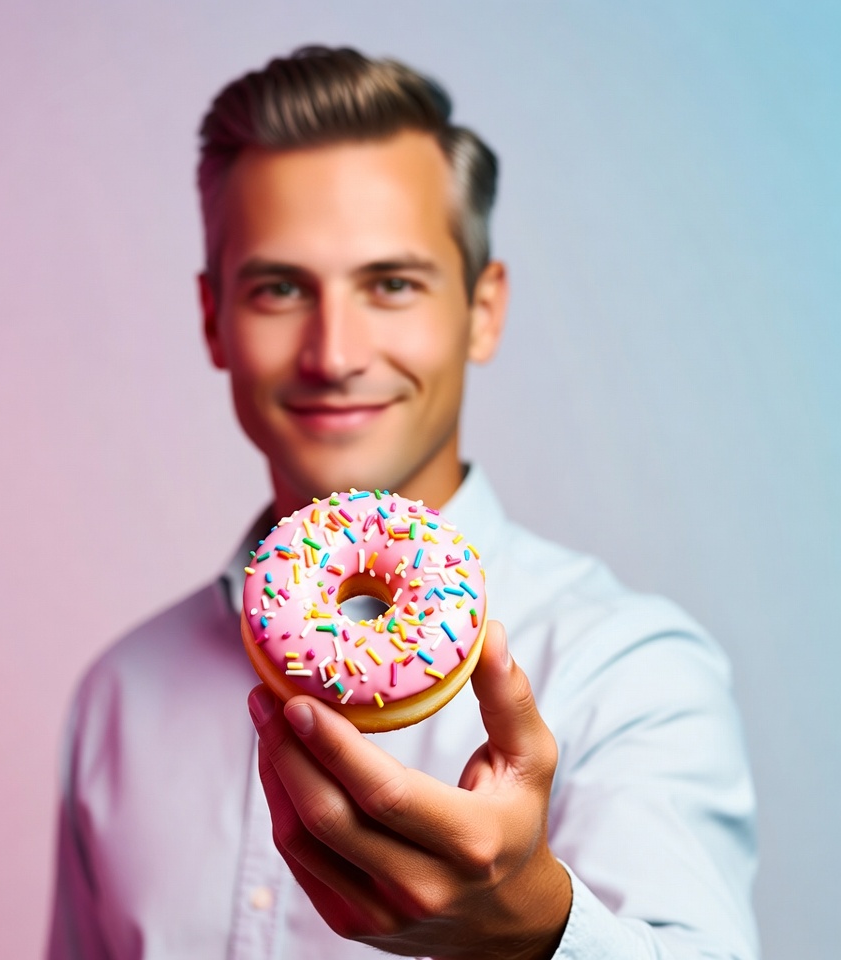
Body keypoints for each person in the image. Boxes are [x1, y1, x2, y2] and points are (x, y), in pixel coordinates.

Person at [47, 47, 758, 959]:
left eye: (392, 284)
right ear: (214, 318)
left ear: (482, 310)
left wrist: (535, 927)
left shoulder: (626, 670)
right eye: (278, 288)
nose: (335, 353)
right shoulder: (121, 694)